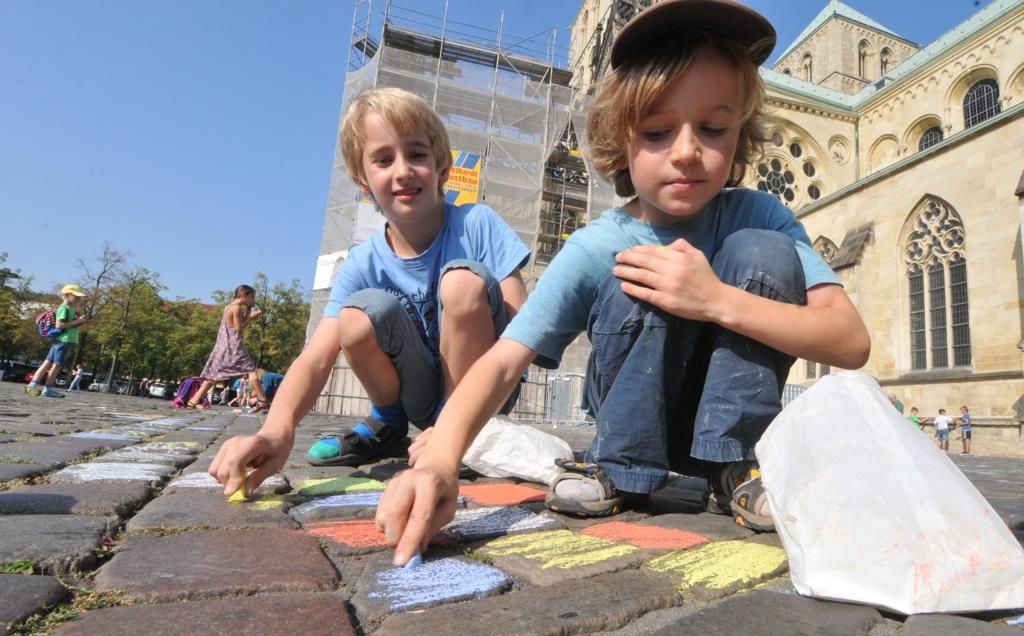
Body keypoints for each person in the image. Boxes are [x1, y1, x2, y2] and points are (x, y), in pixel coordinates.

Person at [373, 0, 871, 564]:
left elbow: (849, 340)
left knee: (764, 251)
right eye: (658, 132)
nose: (686, 152)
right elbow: (504, 359)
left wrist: (715, 300)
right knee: (635, 270)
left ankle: (734, 465)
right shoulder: (597, 243)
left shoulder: (760, 215)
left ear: (741, 134)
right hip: (633, 427)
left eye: (712, 128)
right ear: (620, 141)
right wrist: (439, 460)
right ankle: (620, 465)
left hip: (729, 433)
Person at [208, 87, 529, 490]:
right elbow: (315, 358)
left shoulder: (477, 223)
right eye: (383, 159)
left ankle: (459, 433)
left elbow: (522, 326)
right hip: (418, 395)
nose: (402, 170)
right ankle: (389, 426)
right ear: (363, 180)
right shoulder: (363, 261)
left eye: (416, 154)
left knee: (462, 281)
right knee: (355, 317)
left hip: (485, 391)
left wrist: (456, 423)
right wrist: (276, 431)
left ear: (442, 166)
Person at [187, 285, 270, 412]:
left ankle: (193, 401)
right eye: (251, 297)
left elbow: (240, 322)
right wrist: (252, 317)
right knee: (252, 370)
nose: (253, 299)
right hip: (233, 346)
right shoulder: (235, 308)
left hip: (223, 345)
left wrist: (248, 310)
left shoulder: (229, 307)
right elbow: (239, 328)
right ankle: (262, 400)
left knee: (213, 375)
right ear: (243, 295)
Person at [25, 284, 89, 398]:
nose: (79, 299)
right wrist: (77, 321)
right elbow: (59, 325)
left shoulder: (71, 308)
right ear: (67, 295)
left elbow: (70, 323)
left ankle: (31, 386)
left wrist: (79, 320)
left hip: (63, 339)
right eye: (76, 296)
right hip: (64, 340)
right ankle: (46, 389)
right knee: (57, 365)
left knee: (47, 363)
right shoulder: (63, 308)